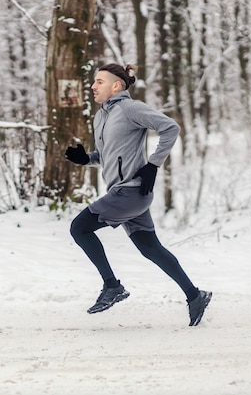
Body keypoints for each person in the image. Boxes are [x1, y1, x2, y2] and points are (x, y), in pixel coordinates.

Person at [65, 63, 212, 326]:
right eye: (94, 81)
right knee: (150, 248)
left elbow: (170, 128)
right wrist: (85, 159)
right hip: (125, 194)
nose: (93, 86)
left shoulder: (130, 108)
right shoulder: (101, 117)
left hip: (130, 193)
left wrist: (153, 165)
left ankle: (112, 286)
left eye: (99, 81)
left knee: (80, 228)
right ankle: (194, 295)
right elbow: (108, 156)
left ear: (116, 86)